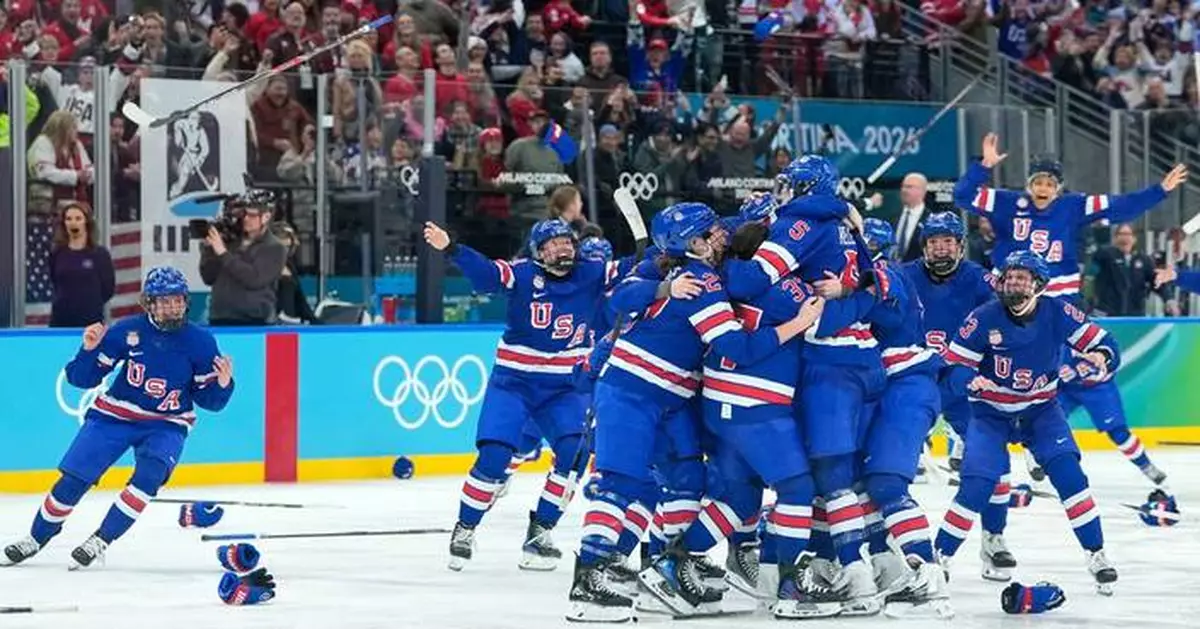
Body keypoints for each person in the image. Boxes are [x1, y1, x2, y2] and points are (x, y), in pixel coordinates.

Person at [567, 203, 818, 622]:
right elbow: (737, 348)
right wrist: (799, 321)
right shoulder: (700, 281)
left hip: (674, 398)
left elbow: (625, 295)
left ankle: (670, 570)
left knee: (688, 479)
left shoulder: (682, 267)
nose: (722, 236)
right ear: (694, 243)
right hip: (632, 391)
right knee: (620, 482)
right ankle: (589, 578)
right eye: (712, 232)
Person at [953, 134, 1182, 487]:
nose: (1043, 188)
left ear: (1059, 187)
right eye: (1038, 182)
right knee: (984, 360)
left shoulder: (1073, 206)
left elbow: (1119, 207)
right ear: (1029, 184)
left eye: (1049, 183)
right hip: (1007, 299)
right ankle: (963, 435)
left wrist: (1160, 191)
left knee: (1042, 371)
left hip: (1057, 301)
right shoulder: (1006, 202)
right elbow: (962, 196)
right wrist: (982, 166)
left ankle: (1032, 444)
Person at [724, 156, 882, 616]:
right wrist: (854, 291)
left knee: (822, 481)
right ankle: (783, 575)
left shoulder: (802, 219)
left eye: (790, 184)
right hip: (853, 357)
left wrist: (712, 264)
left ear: (808, 187)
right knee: (820, 479)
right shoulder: (839, 220)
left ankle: (854, 577)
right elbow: (870, 276)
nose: (783, 191)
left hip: (827, 360)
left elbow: (753, 278)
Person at [423, 218, 625, 573]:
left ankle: (540, 532)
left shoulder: (592, 272)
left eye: (567, 242)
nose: (562, 248)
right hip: (513, 383)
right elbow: (486, 274)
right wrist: (452, 247)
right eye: (553, 244)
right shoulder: (521, 273)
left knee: (575, 453)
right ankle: (466, 526)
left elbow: (635, 270)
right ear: (538, 251)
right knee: (494, 456)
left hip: (563, 387)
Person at [0, 267, 234, 569]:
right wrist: (87, 350)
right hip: (114, 415)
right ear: (148, 303)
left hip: (167, 423)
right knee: (74, 480)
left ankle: (101, 540)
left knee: (149, 476)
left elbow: (209, 401)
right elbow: (81, 378)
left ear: (185, 301)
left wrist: (223, 385)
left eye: (176, 300)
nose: (171, 307)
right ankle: (35, 538)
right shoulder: (127, 331)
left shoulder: (201, 342)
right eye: (163, 301)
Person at [935, 251, 1120, 595]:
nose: (1014, 282)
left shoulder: (1058, 312)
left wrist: (1101, 355)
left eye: (1022, 277)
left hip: (1041, 411)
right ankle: (938, 559)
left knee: (1071, 476)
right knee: (976, 487)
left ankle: (1097, 554)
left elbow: (1105, 342)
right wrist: (968, 380)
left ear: (1038, 284)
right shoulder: (982, 318)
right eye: (1010, 276)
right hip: (990, 414)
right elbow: (952, 367)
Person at [901, 212, 1015, 582]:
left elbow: (1009, 319)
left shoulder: (982, 280)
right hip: (915, 381)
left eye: (948, 240)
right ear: (925, 245)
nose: (940, 247)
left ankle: (994, 538)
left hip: (965, 384)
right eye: (934, 241)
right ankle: (893, 547)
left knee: (995, 463)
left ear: (960, 245)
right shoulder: (904, 275)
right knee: (890, 468)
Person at [855, 218, 952, 618]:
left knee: (886, 483)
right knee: (862, 481)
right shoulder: (887, 271)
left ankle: (927, 575)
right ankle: (887, 563)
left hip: (908, 386)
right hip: (893, 386)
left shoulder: (883, 274)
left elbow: (888, 319)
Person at [198, 190, 289, 326]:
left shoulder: (275, 248)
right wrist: (209, 251)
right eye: (244, 214)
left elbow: (254, 279)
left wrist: (223, 253)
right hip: (220, 317)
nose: (246, 219)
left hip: (255, 321)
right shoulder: (230, 242)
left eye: (252, 215)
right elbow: (208, 277)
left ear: (266, 217)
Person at [49, 201, 114, 327]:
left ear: (86, 222)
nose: (73, 222)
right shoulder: (57, 253)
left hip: (90, 321)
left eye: (78, 218)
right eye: (69, 219)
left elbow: (108, 289)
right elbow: (55, 281)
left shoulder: (100, 254)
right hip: (61, 319)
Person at [1090, 224, 1163, 317]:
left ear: (1134, 239)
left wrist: (1169, 299)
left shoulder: (1143, 259)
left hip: (1135, 314)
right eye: (1122, 234)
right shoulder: (1105, 255)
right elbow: (1092, 270)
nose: (1125, 238)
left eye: (1128, 234)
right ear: (1115, 238)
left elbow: (1156, 280)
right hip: (1109, 313)